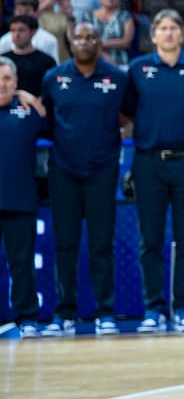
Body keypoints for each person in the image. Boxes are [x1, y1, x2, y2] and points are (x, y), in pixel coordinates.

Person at [122, 11, 184, 334]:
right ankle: (154, 308)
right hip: (149, 161)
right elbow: (126, 111)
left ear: (183, 33)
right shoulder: (138, 69)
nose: (168, 33)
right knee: (150, 239)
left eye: (174, 28)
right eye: (162, 28)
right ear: (153, 35)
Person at [46, 21, 126, 335]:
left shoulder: (117, 78)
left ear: (98, 41)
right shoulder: (54, 77)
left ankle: (105, 311)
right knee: (65, 244)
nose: (84, 41)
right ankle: (64, 312)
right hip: (64, 170)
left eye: (90, 36)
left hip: (103, 170)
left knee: (102, 244)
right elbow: (46, 116)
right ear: (69, 40)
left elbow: (128, 114)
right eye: (78, 36)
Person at [0, 61, 42, 336]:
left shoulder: (28, 111)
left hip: (20, 199)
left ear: (16, 82)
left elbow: (51, 122)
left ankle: (27, 317)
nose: (2, 84)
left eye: (6, 78)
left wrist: (33, 100)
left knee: (22, 262)